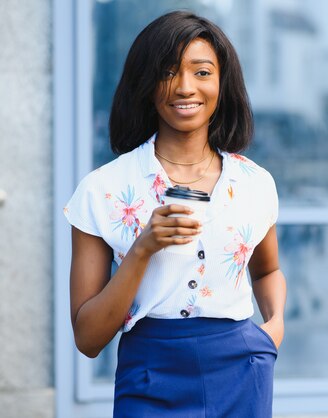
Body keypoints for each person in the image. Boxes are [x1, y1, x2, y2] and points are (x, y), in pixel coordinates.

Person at [63, 11, 286, 418]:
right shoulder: (103, 189)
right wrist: (143, 248)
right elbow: (88, 339)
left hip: (242, 370)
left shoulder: (255, 182)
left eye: (202, 72)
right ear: (147, 85)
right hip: (151, 373)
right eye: (168, 72)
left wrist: (273, 329)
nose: (185, 87)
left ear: (222, 83)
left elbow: (267, 272)